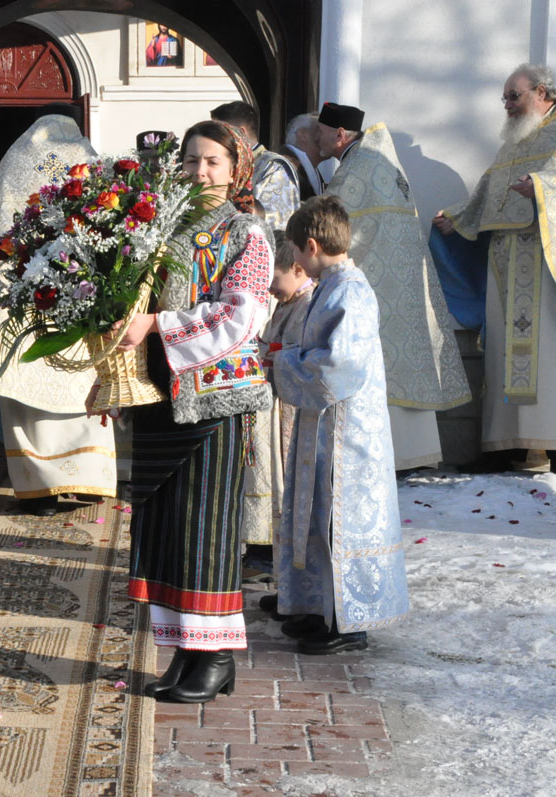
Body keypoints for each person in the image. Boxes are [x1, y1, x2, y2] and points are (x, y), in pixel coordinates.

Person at [111, 120, 273, 703]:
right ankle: (186, 649)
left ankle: (216, 655)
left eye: (212, 163)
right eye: (190, 161)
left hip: (216, 401)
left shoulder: (246, 232)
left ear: (236, 171)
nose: (199, 173)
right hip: (161, 396)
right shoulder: (160, 227)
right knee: (167, 529)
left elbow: (241, 319)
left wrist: (155, 325)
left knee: (206, 527)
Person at [0, 106, 117, 516]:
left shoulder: (13, 166)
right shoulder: (86, 160)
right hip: (77, 302)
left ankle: (42, 490)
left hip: (24, 305)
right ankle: (88, 481)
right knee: (76, 394)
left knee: (30, 399)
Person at [271, 196, 410, 654]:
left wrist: (282, 362)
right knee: (318, 515)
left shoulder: (349, 290)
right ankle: (320, 608)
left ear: (311, 246)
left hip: (348, 433)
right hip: (325, 423)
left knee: (338, 520)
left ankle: (348, 623)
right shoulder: (332, 284)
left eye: (294, 250)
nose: (292, 260)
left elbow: (338, 366)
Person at [317, 101, 470, 469]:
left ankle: (398, 457)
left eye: (320, 134)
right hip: (403, 291)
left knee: (387, 368)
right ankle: (417, 455)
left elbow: (325, 223)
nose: (316, 140)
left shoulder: (357, 168)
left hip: (379, 290)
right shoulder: (381, 162)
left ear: (339, 135)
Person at [432, 63, 556, 471]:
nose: (507, 105)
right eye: (504, 97)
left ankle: (546, 446)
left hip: (540, 263)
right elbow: (489, 189)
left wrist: (539, 187)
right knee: (502, 353)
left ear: (543, 92)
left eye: (514, 96)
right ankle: (505, 447)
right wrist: (459, 218)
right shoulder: (513, 142)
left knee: (541, 356)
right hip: (503, 260)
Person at [254, 234, 315, 621]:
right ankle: (286, 588)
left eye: (273, 279)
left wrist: (273, 357)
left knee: (298, 505)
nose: (270, 290)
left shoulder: (310, 304)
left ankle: (301, 594)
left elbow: (303, 354)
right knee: (283, 506)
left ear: (297, 267)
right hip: (277, 410)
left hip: (295, 416)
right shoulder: (286, 302)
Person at [211, 100, 300, 230]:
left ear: (241, 133)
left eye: (220, 134)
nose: (213, 140)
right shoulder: (224, 165)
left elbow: (273, 223)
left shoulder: (273, 168)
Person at [283, 113, 322, 200]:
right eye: (320, 130)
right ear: (302, 135)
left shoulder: (313, 168)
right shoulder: (283, 166)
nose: (324, 136)